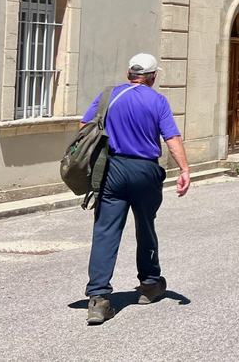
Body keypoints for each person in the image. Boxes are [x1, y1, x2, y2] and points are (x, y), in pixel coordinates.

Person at [81, 53, 190, 325]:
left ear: (129, 73)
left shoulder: (108, 96)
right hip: (145, 170)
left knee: (105, 230)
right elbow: (172, 137)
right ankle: (150, 284)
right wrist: (184, 169)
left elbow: (84, 126)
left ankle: (98, 299)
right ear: (152, 77)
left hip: (113, 169)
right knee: (145, 225)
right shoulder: (157, 101)